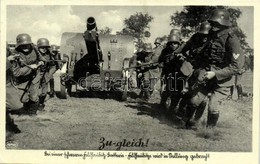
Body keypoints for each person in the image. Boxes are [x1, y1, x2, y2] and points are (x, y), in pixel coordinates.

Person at [186, 9, 244, 128]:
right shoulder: (212, 36)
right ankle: (187, 122)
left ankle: (209, 131)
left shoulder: (231, 39)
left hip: (223, 80)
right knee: (194, 101)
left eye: (216, 23)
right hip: (207, 75)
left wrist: (215, 74)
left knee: (213, 106)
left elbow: (236, 66)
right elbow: (204, 53)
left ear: (224, 23)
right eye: (213, 23)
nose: (213, 26)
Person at [177, 21, 212, 129]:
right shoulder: (195, 38)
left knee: (201, 97)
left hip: (207, 70)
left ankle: (195, 120)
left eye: (206, 35)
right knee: (191, 93)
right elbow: (183, 49)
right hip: (194, 68)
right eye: (202, 35)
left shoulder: (214, 41)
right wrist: (180, 54)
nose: (204, 37)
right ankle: (185, 115)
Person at [7, 33, 46, 115]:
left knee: (34, 96)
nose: (25, 47)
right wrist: (30, 67)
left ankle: (32, 114)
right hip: (22, 79)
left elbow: (42, 59)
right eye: (22, 45)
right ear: (18, 45)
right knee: (23, 99)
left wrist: (40, 63)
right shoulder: (15, 55)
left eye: (27, 45)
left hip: (35, 76)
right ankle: (25, 110)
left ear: (30, 44)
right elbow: (16, 73)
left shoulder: (34, 48)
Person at [37, 38, 58, 110]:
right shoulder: (34, 54)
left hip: (45, 74)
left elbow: (53, 66)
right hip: (35, 74)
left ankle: (41, 104)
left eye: (46, 47)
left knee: (44, 92)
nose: (44, 49)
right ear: (38, 47)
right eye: (42, 47)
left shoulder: (49, 55)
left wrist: (49, 74)